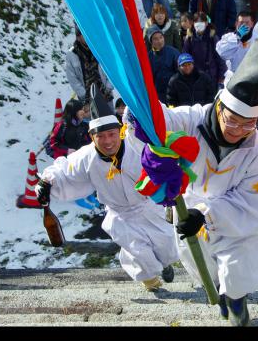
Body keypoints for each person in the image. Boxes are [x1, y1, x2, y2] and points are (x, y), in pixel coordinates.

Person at [160, 38, 258, 326]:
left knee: (236, 271)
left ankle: (237, 301)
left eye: (250, 124)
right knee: (203, 266)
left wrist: (208, 213)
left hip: (232, 219)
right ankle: (222, 294)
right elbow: (164, 122)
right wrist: (140, 113)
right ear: (219, 106)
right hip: (191, 207)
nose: (239, 131)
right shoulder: (193, 120)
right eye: (233, 120)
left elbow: (251, 201)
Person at [35, 84, 178, 292]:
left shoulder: (135, 144)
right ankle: (151, 281)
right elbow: (64, 168)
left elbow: (156, 139)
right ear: (92, 137)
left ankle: (165, 264)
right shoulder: (87, 156)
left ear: (119, 132)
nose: (107, 141)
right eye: (100, 136)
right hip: (120, 213)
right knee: (137, 249)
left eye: (111, 134)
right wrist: (46, 181)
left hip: (147, 204)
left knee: (166, 243)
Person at [65, 23, 115, 111]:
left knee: (110, 122)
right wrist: (85, 95)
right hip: (86, 101)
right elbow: (72, 79)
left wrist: (107, 88)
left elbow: (112, 69)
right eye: (83, 34)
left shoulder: (100, 49)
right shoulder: (71, 54)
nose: (87, 36)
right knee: (91, 123)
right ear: (78, 36)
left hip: (105, 96)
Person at [182, 11, 227, 96]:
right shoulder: (189, 38)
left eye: (201, 22)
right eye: (196, 22)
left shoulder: (213, 37)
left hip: (211, 75)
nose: (198, 24)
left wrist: (221, 77)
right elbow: (185, 55)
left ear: (206, 23)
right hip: (195, 76)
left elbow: (220, 58)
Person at [146, 25, 180, 104]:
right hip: (158, 96)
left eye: (161, 37)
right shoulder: (149, 57)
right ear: (151, 41)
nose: (159, 41)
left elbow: (180, 73)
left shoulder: (173, 52)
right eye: (156, 39)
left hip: (174, 93)